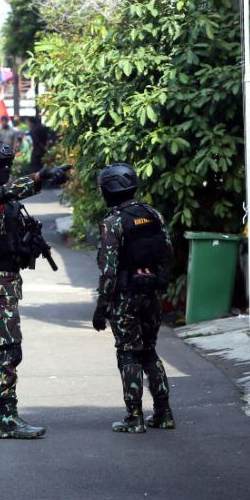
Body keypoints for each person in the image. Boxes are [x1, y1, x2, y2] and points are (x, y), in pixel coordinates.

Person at [0, 140, 70, 439]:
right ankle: (7, 418)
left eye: (9, 164)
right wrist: (40, 175)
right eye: (1, 164)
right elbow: (6, 192)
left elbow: (12, 194)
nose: (6, 170)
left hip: (0, 280)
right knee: (8, 349)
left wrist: (43, 179)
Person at [92, 163, 175, 433]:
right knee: (149, 351)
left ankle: (134, 417)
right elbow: (168, 250)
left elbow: (108, 271)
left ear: (110, 190)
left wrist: (101, 308)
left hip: (125, 297)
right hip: (152, 293)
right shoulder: (152, 214)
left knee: (128, 354)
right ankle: (164, 414)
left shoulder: (113, 222)